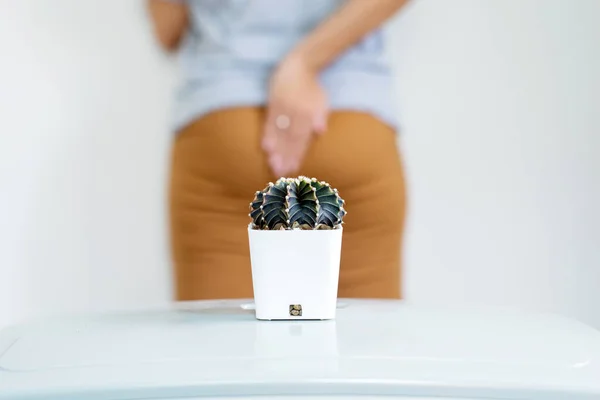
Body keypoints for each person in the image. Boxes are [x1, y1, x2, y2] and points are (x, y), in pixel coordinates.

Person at [147, 0, 409, 301]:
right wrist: (304, 62)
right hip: (352, 122)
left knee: (219, 343)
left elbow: (168, 29)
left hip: (225, 124)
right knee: (368, 342)